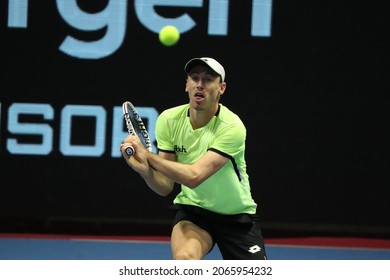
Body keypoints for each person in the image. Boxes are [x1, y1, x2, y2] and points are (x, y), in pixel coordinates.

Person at [120, 57, 267, 260]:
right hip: (195, 213)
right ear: (186, 85)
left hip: (237, 217)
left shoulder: (232, 126)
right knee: (184, 261)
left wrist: (146, 155)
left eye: (208, 79)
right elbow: (164, 186)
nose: (200, 84)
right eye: (195, 78)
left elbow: (193, 176)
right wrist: (145, 171)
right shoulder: (169, 120)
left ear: (221, 88)